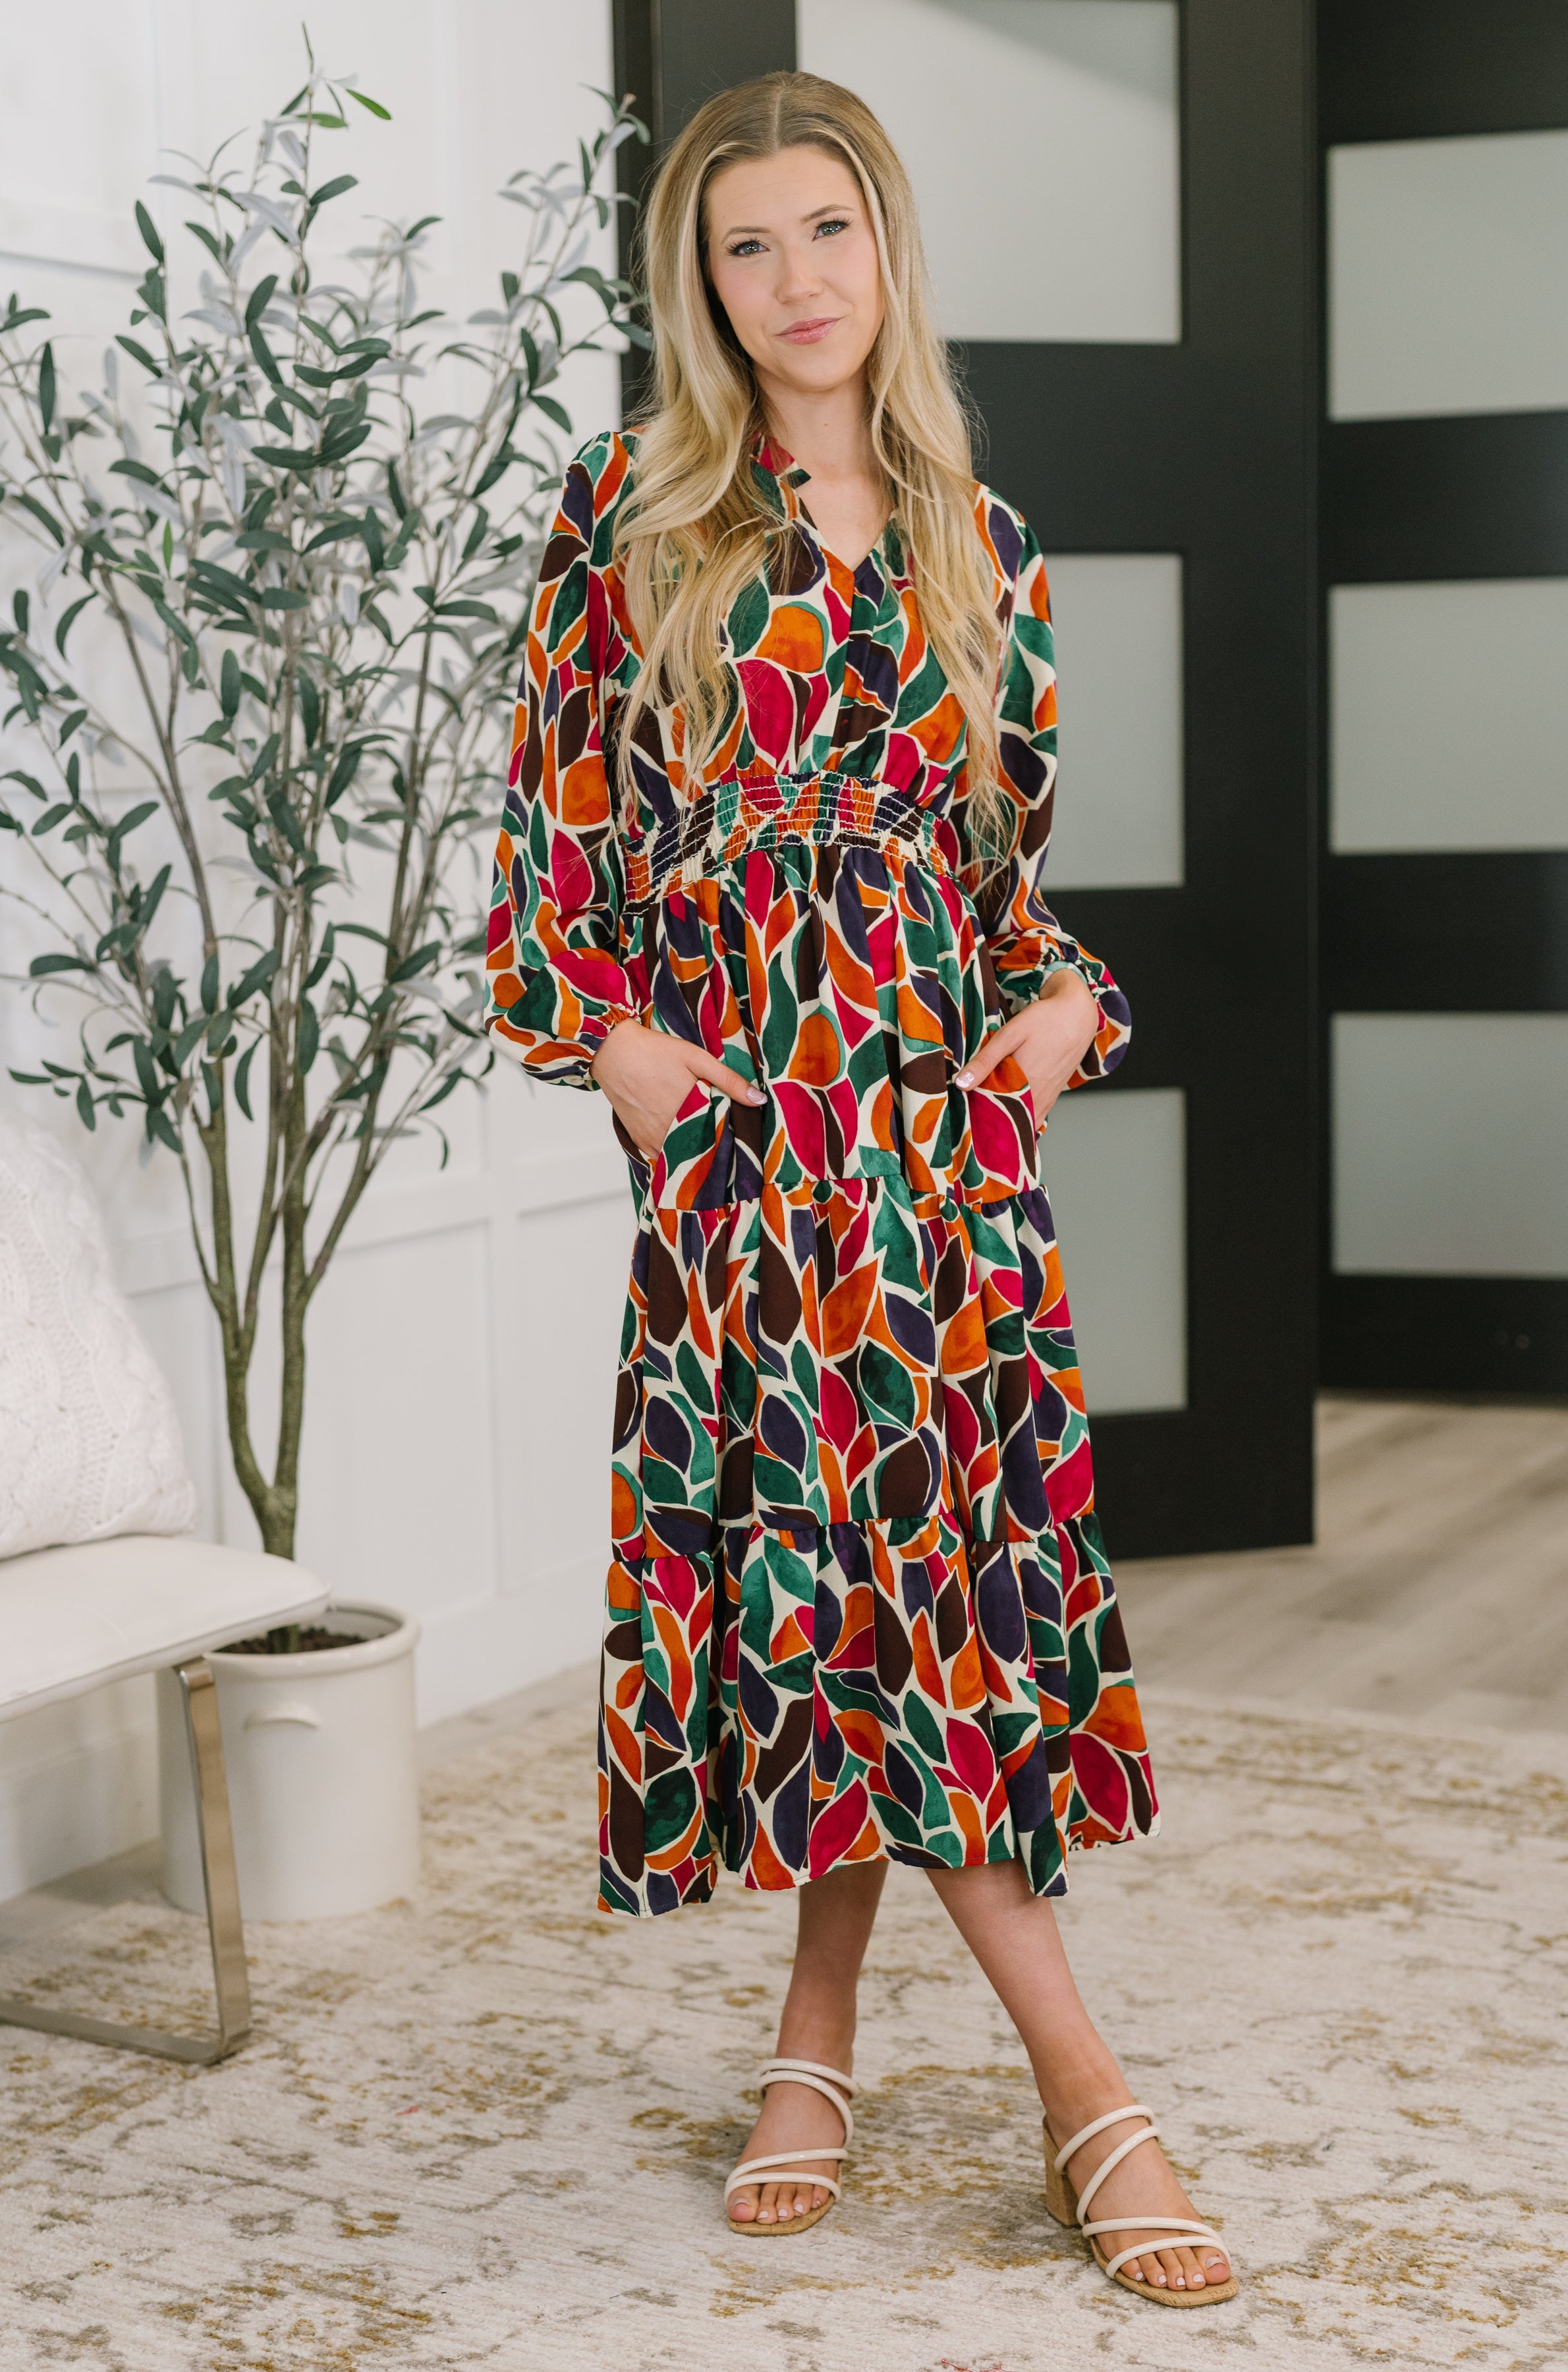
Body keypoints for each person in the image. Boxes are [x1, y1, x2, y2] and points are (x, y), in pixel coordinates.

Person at [484, 71, 1235, 2306]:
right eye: (747, 245)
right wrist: (612, 1047)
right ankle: (1088, 2092)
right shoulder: (630, 512)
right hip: (747, 1151)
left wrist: (1070, 1005)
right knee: (856, 1591)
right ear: (699, 286)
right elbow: (549, 851)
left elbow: (1002, 894)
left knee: (905, 1605)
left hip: (936, 1160)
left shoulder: (978, 539)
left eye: (828, 230)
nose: (795, 279)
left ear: (887, 249)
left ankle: (817, 2046)